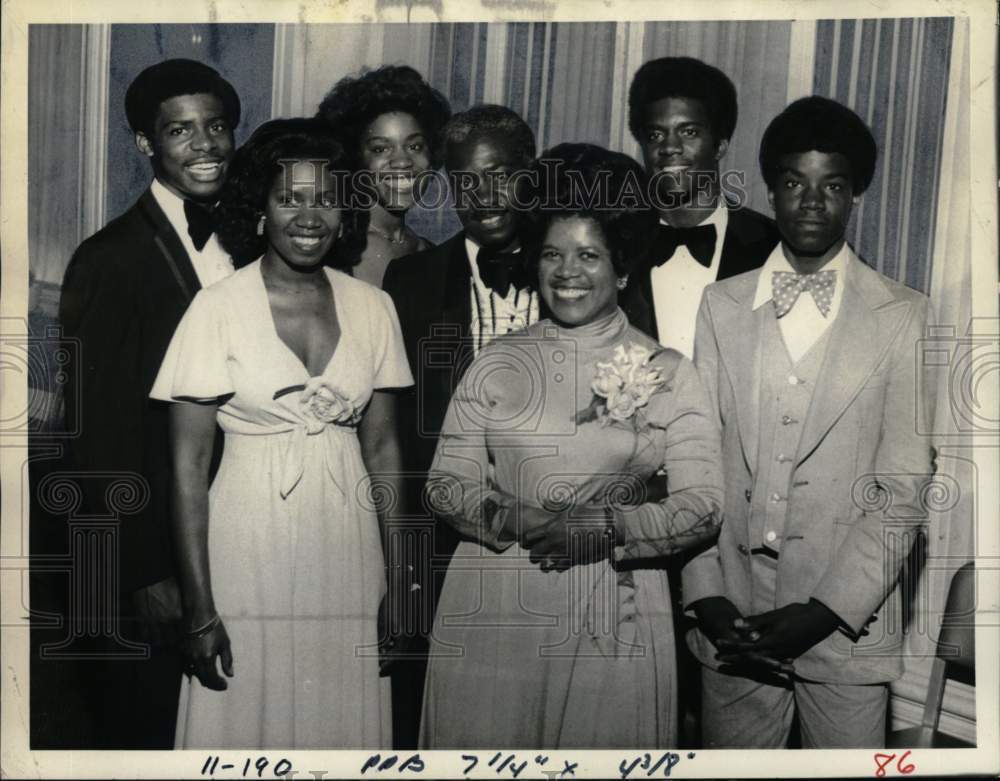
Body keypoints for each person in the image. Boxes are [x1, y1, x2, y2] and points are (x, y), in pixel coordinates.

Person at [420, 143, 724, 748]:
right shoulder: (496, 361)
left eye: (589, 255)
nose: (567, 272)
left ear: (623, 267)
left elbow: (704, 505)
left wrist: (604, 528)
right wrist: (511, 515)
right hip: (495, 594)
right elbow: (445, 481)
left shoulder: (668, 371)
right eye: (553, 254)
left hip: (610, 599)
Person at [149, 118, 413, 748]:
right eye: (288, 197)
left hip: (348, 544)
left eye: (323, 197)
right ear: (259, 209)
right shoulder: (216, 307)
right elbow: (187, 468)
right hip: (245, 544)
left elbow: (383, 451)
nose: (308, 215)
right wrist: (199, 606)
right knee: (244, 716)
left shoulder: (375, 307)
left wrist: (401, 584)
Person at [684, 96, 934, 748]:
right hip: (732, 615)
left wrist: (825, 612)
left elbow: (901, 491)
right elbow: (695, 462)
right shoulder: (721, 305)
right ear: (771, 191)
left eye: (833, 186)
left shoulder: (904, 316)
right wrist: (706, 595)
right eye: (795, 183)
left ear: (857, 196)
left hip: (848, 617)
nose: (812, 202)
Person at [58, 58, 240, 748]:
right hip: (156, 553)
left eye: (216, 126)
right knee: (151, 734)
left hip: (233, 529)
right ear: (146, 144)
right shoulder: (107, 259)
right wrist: (143, 571)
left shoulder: (255, 239)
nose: (205, 145)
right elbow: (94, 436)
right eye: (181, 130)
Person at [380, 104, 543, 748]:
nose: (486, 194)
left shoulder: (576, 269)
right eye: (466, 179)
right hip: (452, 549)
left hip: (560, 543)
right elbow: (399, 438)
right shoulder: (412, 281)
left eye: (502, 173)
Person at [620, 56, 779, 358]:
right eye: (656, 134)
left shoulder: (773, 246)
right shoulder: (617, 244)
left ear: (720, 146)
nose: (669, 147)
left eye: (689, 132)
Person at [317, 65, 451, 287]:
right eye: (380, 148)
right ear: (355, 158)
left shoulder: (431, 253)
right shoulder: (331, 247)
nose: (402, 162)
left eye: (415, 146)